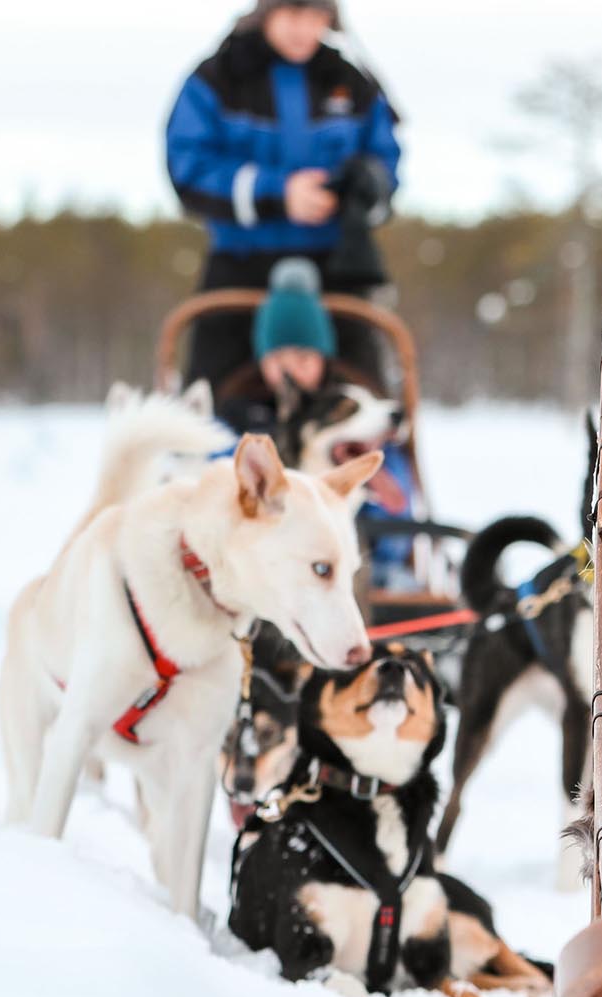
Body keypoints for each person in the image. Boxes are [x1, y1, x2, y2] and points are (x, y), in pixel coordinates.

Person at [166, 0, 400, 394]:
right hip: (239, 264)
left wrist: (363, 186)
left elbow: (387, 164)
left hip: (338, 267)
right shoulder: (218, 79)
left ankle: (374, 457)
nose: (304, 29)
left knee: (368, 400)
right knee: (210, 402)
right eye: (293, 13)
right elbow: (187, 168)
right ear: (266, 11)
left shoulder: (351, 81)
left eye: (316, 16)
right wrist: (277, 192)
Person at [217, 258, 423, 592]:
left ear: (322, 357)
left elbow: (397, 508)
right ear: (261, 360)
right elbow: (219, 476)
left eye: (302, 358)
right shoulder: (236, 414)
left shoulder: (357, 407)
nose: (290, 371)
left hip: (364, 559)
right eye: (278, 359)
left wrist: (372, 527)